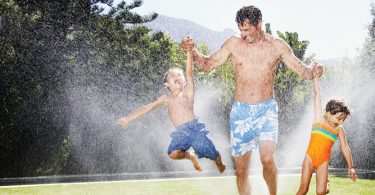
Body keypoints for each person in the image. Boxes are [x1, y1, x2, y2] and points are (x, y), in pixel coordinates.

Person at [181, 5, 323, 195]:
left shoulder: (277, 45)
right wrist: (192, 51)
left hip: (267, 110)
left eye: (247, 29)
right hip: (240, 112)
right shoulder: (234, 43)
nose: (243, 34)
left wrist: (314, 71)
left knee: (266, 159)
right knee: (241, 171)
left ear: (259, 24)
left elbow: (303, 71)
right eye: (240, 30)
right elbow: (207, 65)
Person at [116, 50, 226, 173]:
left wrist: (189, 52)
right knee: (173, 153)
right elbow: (147, 108)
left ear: (184, 81)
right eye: (172, 76)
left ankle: (220, 163)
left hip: (195, 128)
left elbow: (189, 71)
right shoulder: (166, 99)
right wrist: (128, 119)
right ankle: (190, 156)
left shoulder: (188, 92)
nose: (177, 76)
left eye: (179, 75)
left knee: (211, 153)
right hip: (181, 132)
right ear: (167, 84)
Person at [296, 72, 358, 195]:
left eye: (343, 119)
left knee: (321, 192)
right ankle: (325, 183)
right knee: (303, 189)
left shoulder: (339, 130)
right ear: (329, 112)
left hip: (323, 161)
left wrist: (351, 167)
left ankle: (326, 184)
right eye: (339, 118)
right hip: (310, 157)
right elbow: (317, 94)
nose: (340, 122)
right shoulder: (319, 118)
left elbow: (345, 148)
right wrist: (315, 78)